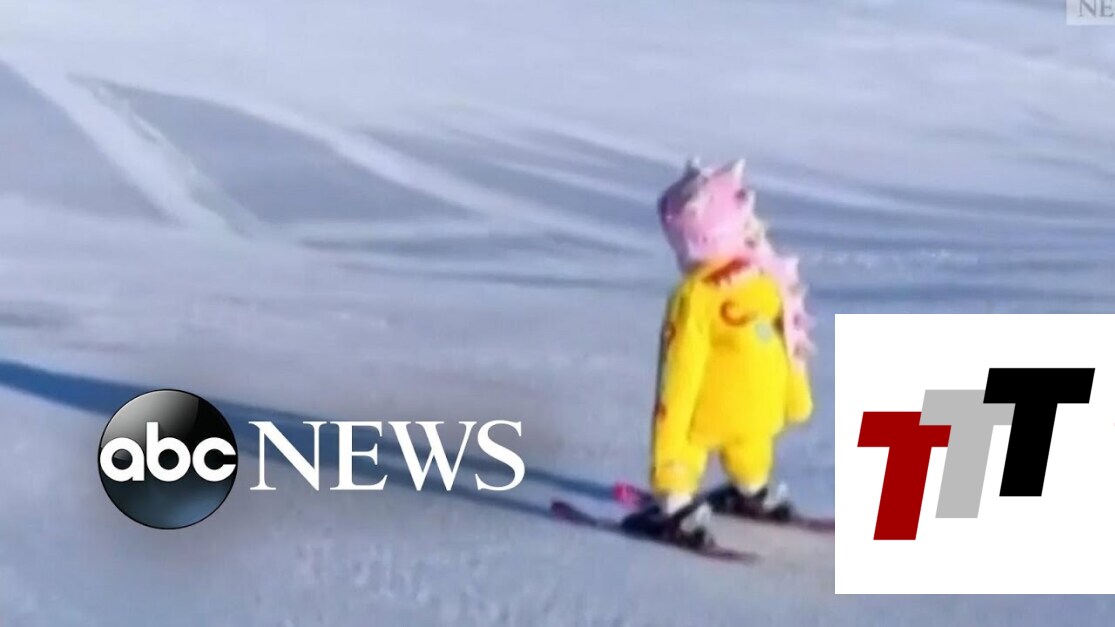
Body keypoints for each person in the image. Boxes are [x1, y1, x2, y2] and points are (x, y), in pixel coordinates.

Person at [620, 157, 815, 548]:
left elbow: (680, 371)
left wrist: (668, 439)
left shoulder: (695, 296)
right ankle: (753, 489)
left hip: (712, 411)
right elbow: (787, 341)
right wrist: (797, 398)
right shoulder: (765, 278)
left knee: (688, 443)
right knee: (748, 444)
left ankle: (676, 508)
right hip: (764, 408)